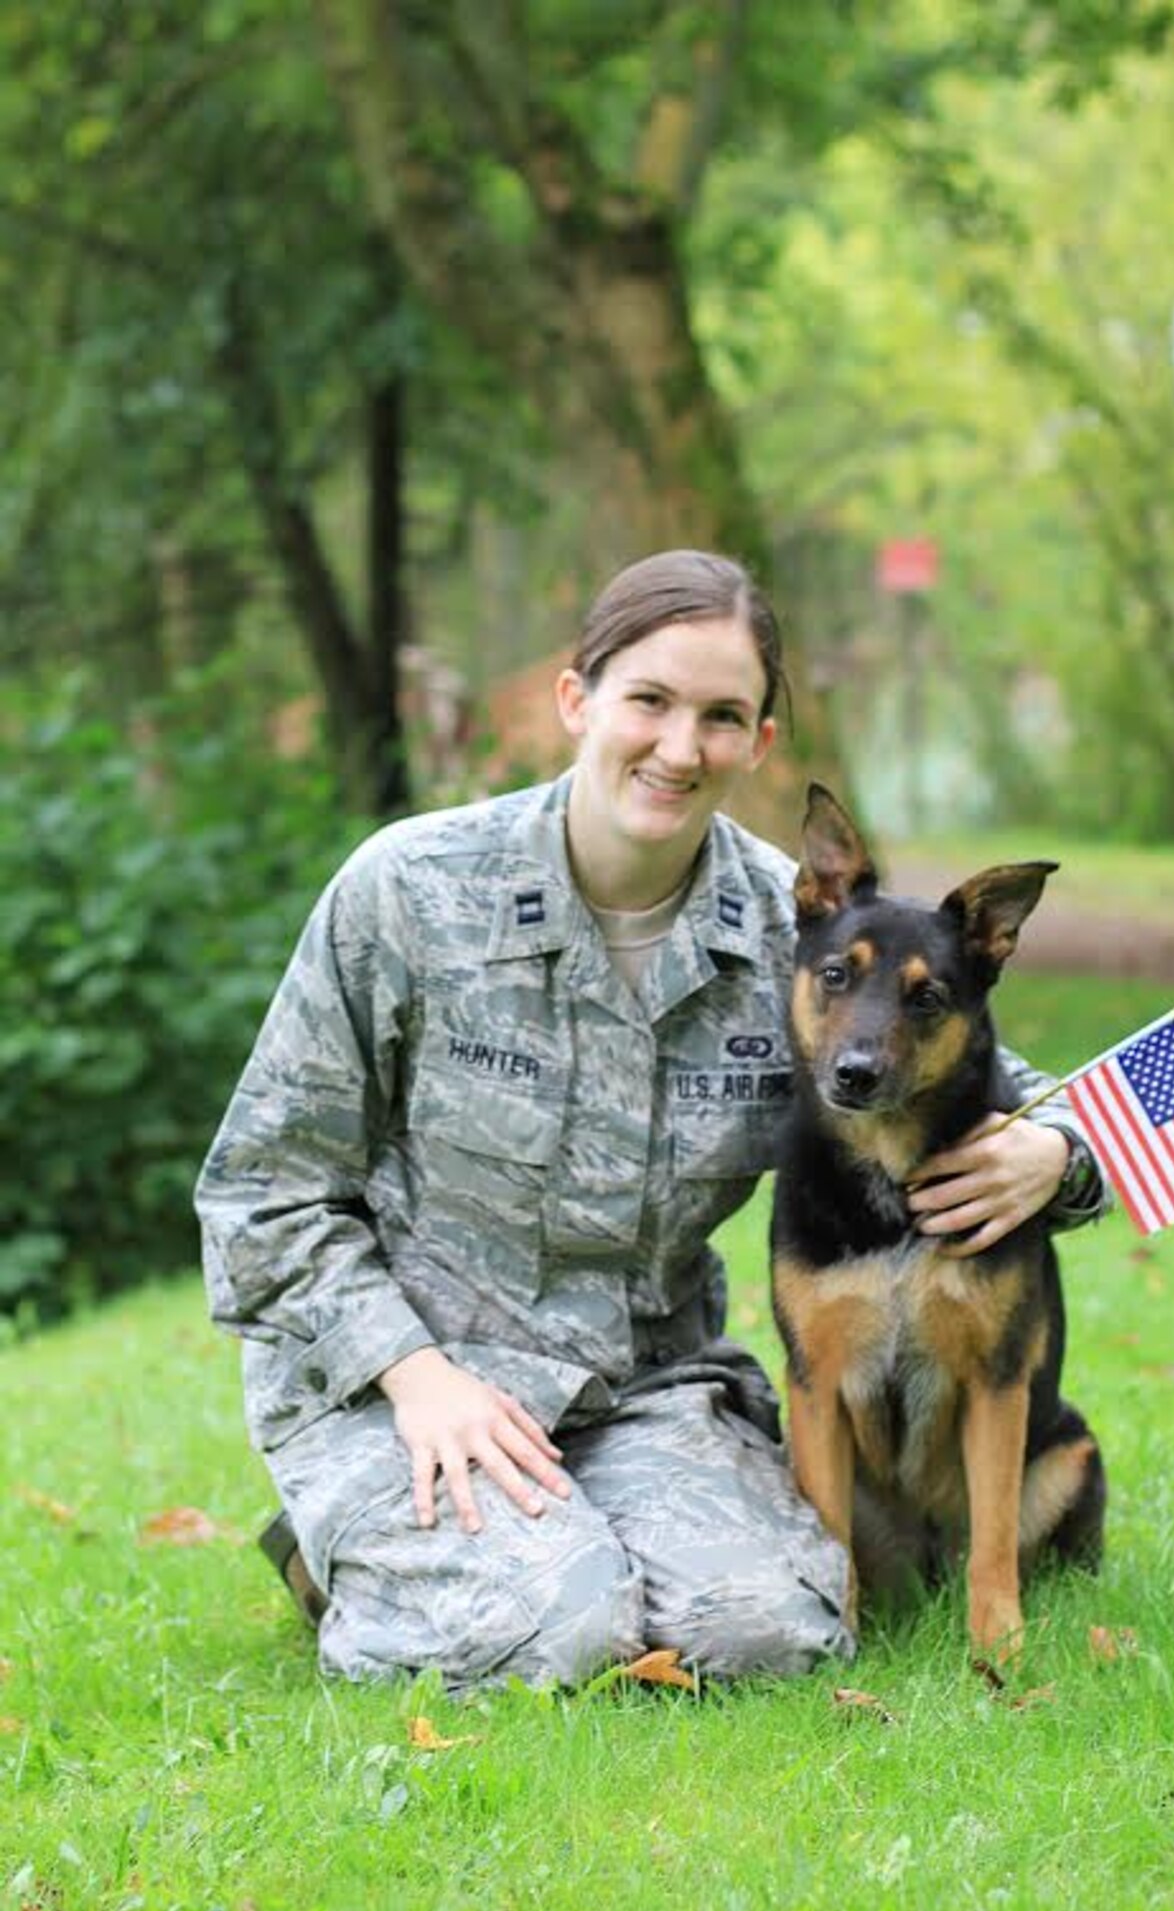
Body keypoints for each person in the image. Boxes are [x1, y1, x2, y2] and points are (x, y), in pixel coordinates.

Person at [195, 548, 1108, 1690]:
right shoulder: (408, 888)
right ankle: (343, 1547)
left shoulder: (803, 935)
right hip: (414, 1384)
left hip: (640, 1390)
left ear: (760, 742)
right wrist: (410, 1371)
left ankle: (559, 1546)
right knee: (559, 1628)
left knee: (780, 1632)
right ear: (576, 698)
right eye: (650, 700)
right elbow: (259, 1189)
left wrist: (1057, 1149)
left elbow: (1047, 1092)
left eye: (721, 715)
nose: (680, 747)